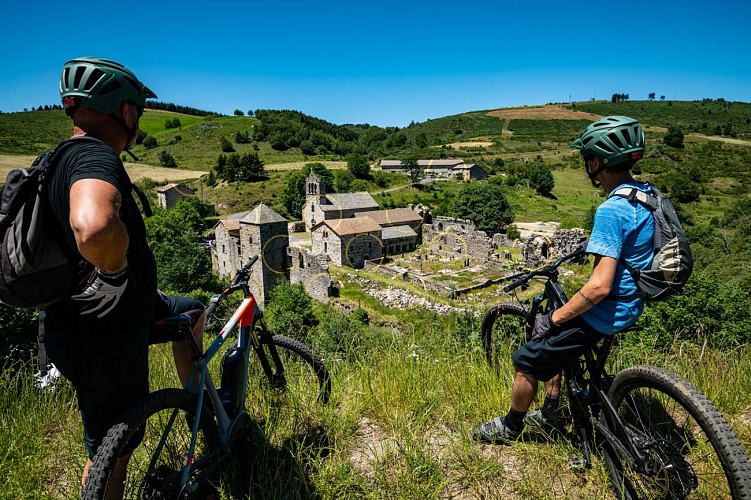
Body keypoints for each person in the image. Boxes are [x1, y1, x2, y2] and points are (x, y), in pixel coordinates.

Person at [43, 57, 206, 495]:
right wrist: (113, 275)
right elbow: (93, 227)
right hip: (105, 335)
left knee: (192, 313)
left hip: (89, 319)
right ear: (126, 111)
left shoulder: (53, 159)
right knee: (113, 453)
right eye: (139, 110)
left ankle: (197, 406)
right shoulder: (96, 156)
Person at [472, 116, 654, 443]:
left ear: (598, 161)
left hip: (608, 309)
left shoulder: (612, 209)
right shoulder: (647, 195)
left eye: (588, 159)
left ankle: (511, 427)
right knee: (561, 341)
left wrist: (553, 319)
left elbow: (599, 286)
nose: (587, 165)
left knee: (527, 357)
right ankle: (555, 404)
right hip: (636, 301)